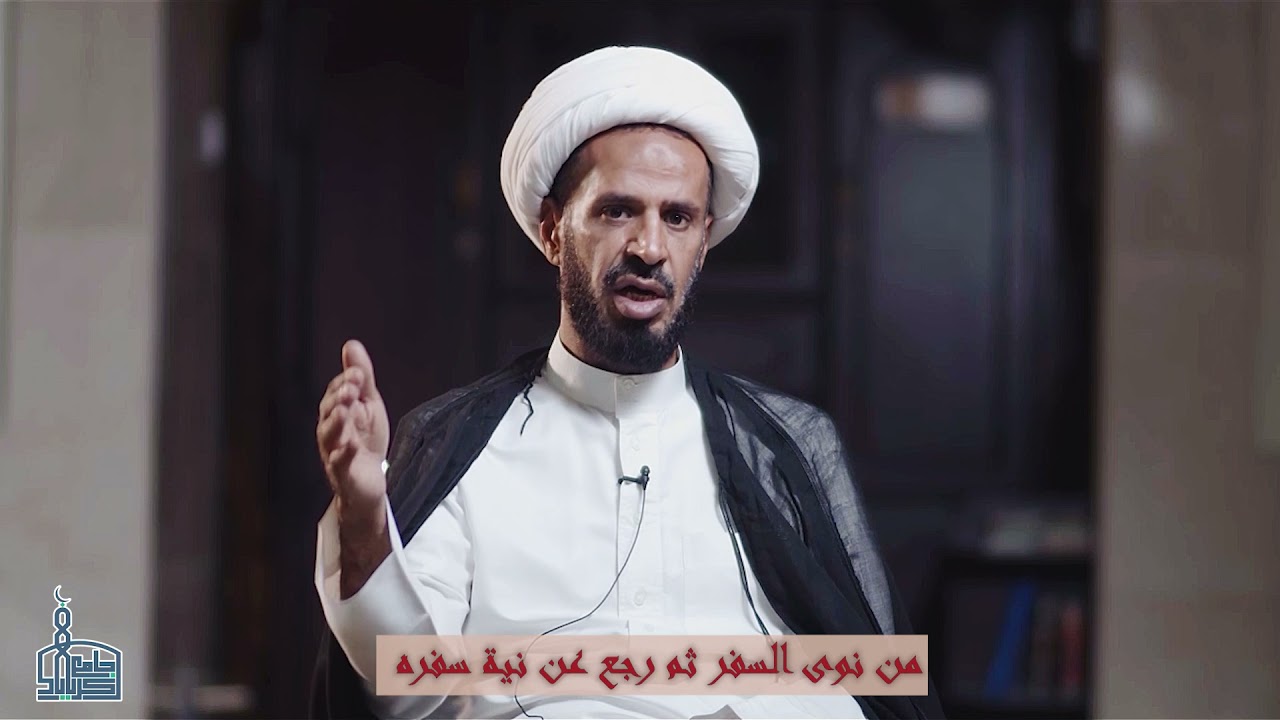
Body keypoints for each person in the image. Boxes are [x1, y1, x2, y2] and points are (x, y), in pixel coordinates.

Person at [311, 46, 943, 720]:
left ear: (703, 242)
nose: (649, 247)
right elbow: (409, 693)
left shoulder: (782, 447)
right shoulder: (461, 443)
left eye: (678, 218)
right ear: (554, 231)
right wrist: (363, 517)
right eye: (617, 211)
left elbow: (869, 687)